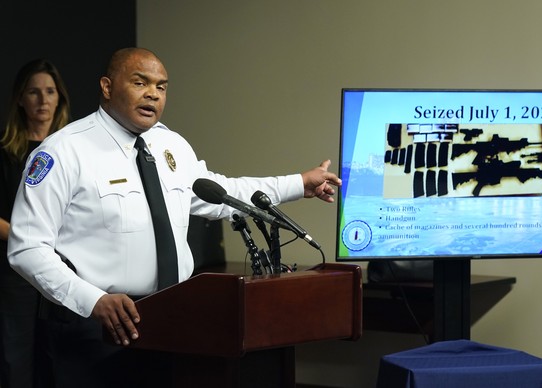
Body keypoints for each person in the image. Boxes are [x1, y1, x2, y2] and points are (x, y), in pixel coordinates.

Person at [7, 47, 341, 387]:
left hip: (172, 321)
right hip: (97, 325)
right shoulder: (63, 151)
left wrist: (299, 183)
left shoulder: (171, 146)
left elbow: (222, 195)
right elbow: (27, 248)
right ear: (107, 87)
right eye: (140, 83)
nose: (153, 93)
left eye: (161, 87)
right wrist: (93, 301)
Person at [0, 59, 70, 388]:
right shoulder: (6, 152)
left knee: (58, 360)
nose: (43, 100)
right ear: (20, 99)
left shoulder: (72, 153)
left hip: (65, 271)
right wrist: (31, 239)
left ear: (60, 99)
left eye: (50, 92)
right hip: (15, 276)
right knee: (16, 360)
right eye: (33, 92)